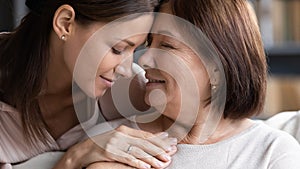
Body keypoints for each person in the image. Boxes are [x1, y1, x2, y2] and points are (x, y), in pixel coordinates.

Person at [85, 0, 300, 168]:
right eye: (150, 43)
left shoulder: (273, 152)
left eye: (167, 45)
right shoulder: (119, 141)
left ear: (216, 69)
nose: (143, 60)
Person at [0, 0, 178, 169]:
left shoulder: (131, 91)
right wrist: (74, 158)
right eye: (118, 49)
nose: (126, 69)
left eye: (135, 49)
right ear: (65, 23)